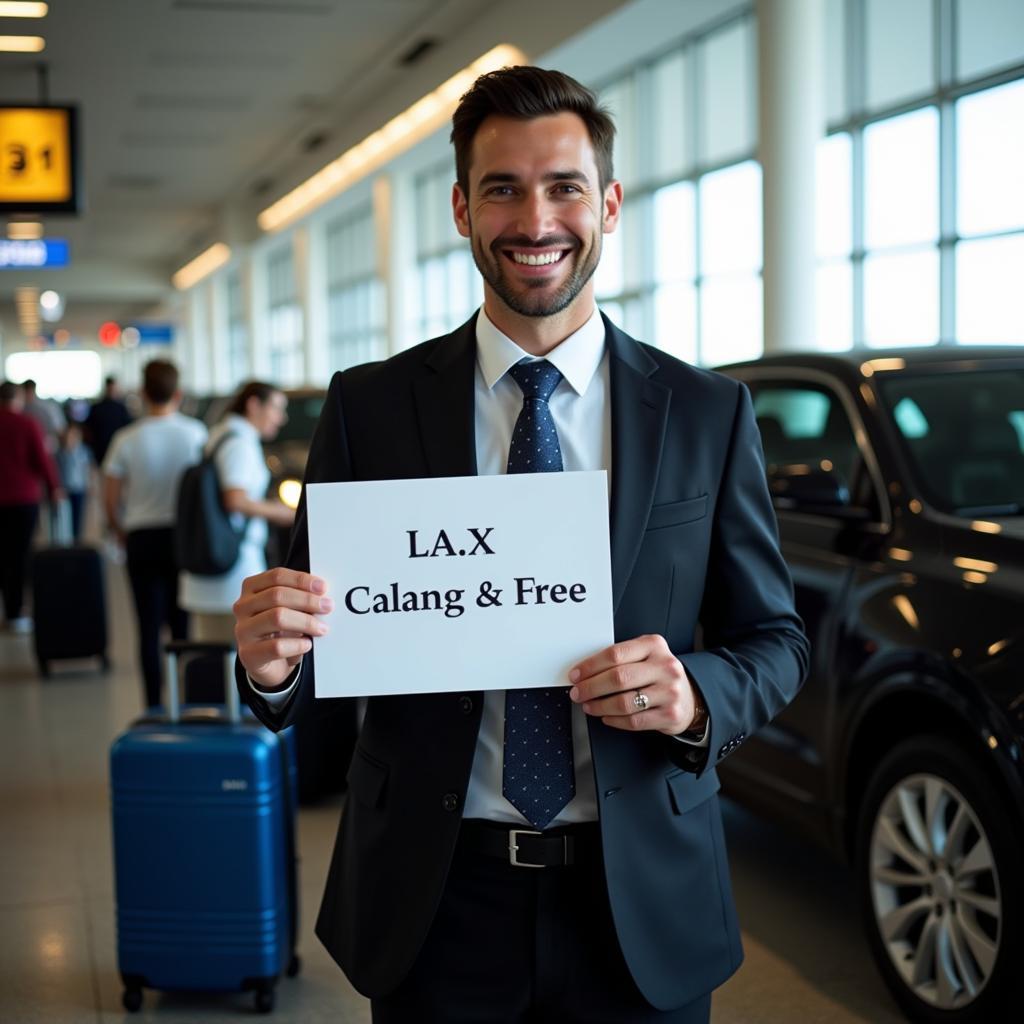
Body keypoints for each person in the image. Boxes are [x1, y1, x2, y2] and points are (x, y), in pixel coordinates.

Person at [234, 67, 809, 1023]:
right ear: (462, 209)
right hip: (436, 897)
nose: (534, 219)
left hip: (641, 900)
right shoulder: (372, 408)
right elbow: (316, 656)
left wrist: (697, 695)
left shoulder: (705, 412)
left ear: (610, 204)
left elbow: (776, 639)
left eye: (564, 187)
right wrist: (270, 665)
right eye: (501, 188)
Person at [102, 360, 207, 708]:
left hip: (142, 537)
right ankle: (186, 698)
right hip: (183, 538)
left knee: (147, 625)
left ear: (143, 394)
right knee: (182, 623)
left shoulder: (126, 439)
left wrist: (120, 530)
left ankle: (152, 703)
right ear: (178, 393)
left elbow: (111, 495)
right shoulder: (196, 433)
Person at [179, 381, 295, 643]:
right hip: (232, 563)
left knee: (213, 647)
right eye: (277, 408)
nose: (281, 418)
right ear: (254, 405)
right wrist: (281, 512)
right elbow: (235, 499)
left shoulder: (221, 433)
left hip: (216, 558)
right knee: (235, 650)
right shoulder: (240, 442)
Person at [0, 381, 64, 633]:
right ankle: (16, 611)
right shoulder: (27, 424)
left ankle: (7, 604)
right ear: (18, 399)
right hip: (23, 499)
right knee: (19, 554)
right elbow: (42, 459)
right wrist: (54, 488)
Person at [84, 375, 133, 467]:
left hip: (117, 447)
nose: (113, 391)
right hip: (100, 449)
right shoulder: (96, 408)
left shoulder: (121, 408)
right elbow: (89, 430)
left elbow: (127, 428)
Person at [55, 423, 93, 542]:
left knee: (78, 516)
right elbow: (56, 472)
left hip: (79, 488)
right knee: (62, 517)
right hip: (65, 488)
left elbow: (88, 469)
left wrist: (90, 485)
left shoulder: (84, 451)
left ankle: (77, 540)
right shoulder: (60, 453)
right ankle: (63, 541)